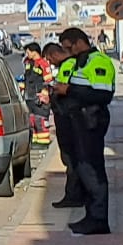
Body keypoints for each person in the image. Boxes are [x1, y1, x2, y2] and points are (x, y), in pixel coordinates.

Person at [56, 27, 117, 235]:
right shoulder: (78, 63)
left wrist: (69, 90)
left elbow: (102, 95)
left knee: (92, 169)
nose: (67, 52)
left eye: (68, 47)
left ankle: (99, 219)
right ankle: (91, 215)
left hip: (92, 119)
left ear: (79, 42)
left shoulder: (98, 61)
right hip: (80, 121)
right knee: (83, 168)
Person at [42, 42, 84, 210]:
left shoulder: (67, 65)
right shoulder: (75, 63)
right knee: (74, 159)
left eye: (49, 59)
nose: (50, 63)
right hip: (72, 117)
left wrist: (52, 92)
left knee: (71, 159)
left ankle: (73, 195)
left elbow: (64, 89)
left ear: (54, 54)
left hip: (67, 118)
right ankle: (77, 194)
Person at [20, 44, 53, 145]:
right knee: (31, 122)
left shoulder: (43, 64)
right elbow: (25, 79)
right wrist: (21, 91)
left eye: (28, 51)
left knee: (40, 122)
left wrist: (44, 95)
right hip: (28, 98)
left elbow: (49, 82)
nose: (27, 54)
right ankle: (34, 144)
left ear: (34, 51)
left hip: (39, 100)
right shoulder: (27, 63)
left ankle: (43, 145)